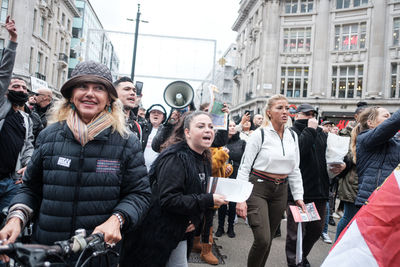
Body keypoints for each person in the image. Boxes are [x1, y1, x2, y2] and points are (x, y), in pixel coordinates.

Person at [0, 61, 152, 266]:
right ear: (71, 95)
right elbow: (30, 188)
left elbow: (139, 194)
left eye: (98, 88)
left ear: (109, 99)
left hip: (97, 255)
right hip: (47, 253)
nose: (90, 93)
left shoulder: (126, 142)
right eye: (82, 86)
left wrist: (117, 219)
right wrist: (16, 217)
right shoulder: (49, 136)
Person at [120, 111, 227, 267]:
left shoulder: (204, 158)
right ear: (187, 132)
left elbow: (196, 194)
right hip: (156, 235)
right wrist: (208, 200)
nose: (208, 130)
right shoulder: (175, 158)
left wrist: (194, 219)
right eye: (201, 126)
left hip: (180, 231)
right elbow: (169, 199)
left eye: (211, 126)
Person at [236, 94, 305, 267]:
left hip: (281, 190)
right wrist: (240, 199)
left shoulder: (293, 136)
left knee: (269, 240)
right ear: (268, 112)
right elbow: (244, 167)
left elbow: (295, 169)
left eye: (287, 108)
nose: (284, 111)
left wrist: (299, 196)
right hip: (257, 188)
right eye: (279, 108)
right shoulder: (259, 135)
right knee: (263, 239)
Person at [286, 104, 345, 266]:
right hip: (299, 193)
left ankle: (302, 256)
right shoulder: (291, 133)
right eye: (306, 114)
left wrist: (342, 165)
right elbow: (300, 151)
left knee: (316, 230)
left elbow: (331, 156)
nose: (310, 117)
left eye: (313, 114)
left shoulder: (322, 134)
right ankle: (294, 262)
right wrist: (310, 130)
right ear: (296, 115)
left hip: (320, 192)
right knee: (296, 233)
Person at [0, 17, 35, 214]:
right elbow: (4, 74)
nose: (21, 90)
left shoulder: (26, 119)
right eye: (16, 86)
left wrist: (28, 164)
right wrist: (13, 40)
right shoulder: (2, 106)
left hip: (12, 183)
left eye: (24, 87)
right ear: (6, 90)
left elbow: (28, 146)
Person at [353, 107, 400, 207]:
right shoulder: (364, 138)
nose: (390, 119)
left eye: (391, 116)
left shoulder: (395, 142)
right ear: (370, 123)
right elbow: (392, 124)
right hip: (372, 202)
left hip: (392, 201)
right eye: (386, 116)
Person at [215, 121, 246, 238]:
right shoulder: (220, 142)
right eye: (230, 126)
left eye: (234, 126)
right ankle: (220, 227)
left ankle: (231, 227)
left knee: (233, 203)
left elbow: (245, 160)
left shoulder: (242, 142)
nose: (232, 128)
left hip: (236, 174)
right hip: (223, 173)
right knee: (223, 201)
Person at [141, 104, 167, 170]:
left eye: (159, 113)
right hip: (140, 169)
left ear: (163, 117)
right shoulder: (141, 128)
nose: (156, 114)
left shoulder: (167, 132)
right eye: (153, 112)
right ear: (149, 115)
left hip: (158, 170)